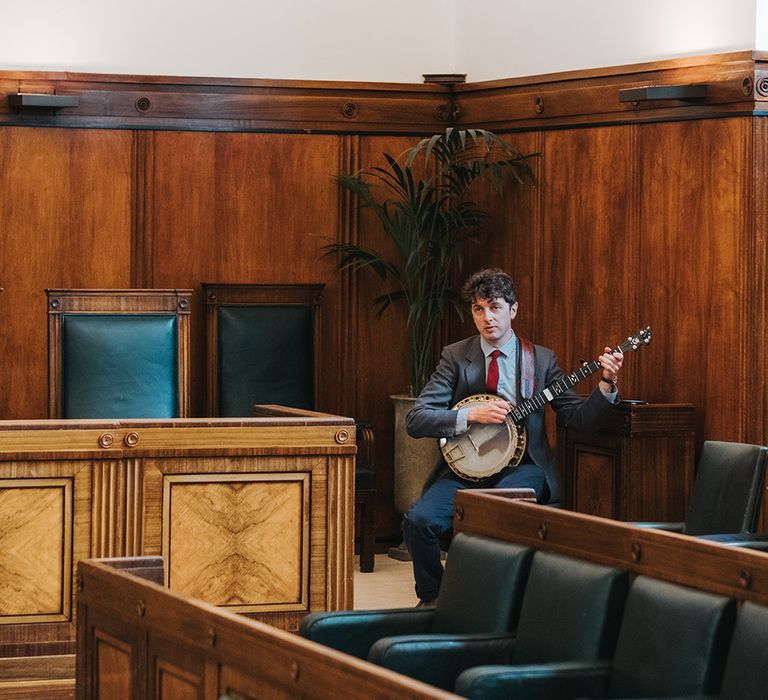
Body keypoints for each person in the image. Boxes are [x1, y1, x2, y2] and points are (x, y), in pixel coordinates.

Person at [402, 268, 624, 606]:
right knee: (419, 521)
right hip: (464, 470)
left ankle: (491, 603)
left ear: (513, 310)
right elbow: (417, 419)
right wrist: (469, 415)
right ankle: (434, 597)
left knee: (491, 515)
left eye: (494, 307)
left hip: (523, 468)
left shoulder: (541, 360)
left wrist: (606, 384)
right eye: (478, 309)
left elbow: (579, 418)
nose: (487, 317)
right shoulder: (455, 357)